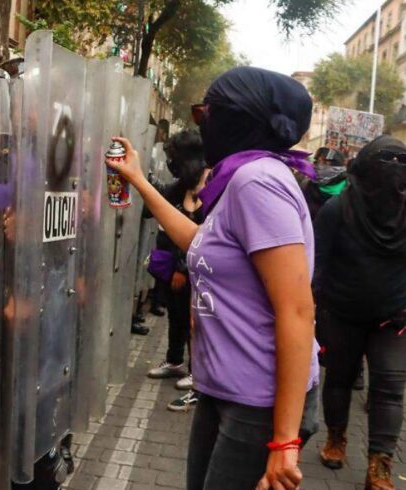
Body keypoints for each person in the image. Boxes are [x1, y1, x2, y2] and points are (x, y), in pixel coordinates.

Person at [106, 66, 320, 490]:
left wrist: (284, 441)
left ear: (241, 118)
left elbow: (296, 310)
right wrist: (138, 180)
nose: (202, 124)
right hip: (224, 389)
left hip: (257, 401)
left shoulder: (256, 181)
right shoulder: (242, 177)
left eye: (207, 113)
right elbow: (198, 240)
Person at [313, 135, 406, 490]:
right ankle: (336, 438)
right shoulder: (338, 209)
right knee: (339, 379)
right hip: (341, 312)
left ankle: (379, 467)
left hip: (394, 318)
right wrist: (311, 311)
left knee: (390, 388)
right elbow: (317, 264)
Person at [142, 131, 206, 397]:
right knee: (177, 315)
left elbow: (198, 232)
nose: (170, 163)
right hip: (172, 264)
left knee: (196, 321)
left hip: (195, 268)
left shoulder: (209, 186)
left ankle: (197, 373)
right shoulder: (179, 187)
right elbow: (154, 208)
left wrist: (182, 268)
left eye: (173, 158)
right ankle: (175, 360)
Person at [303, 147, 347, 220]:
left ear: (338, 167)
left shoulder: (348, 190)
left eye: (325, 162)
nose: (319, 166)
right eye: (317, 161)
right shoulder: (308, 184)